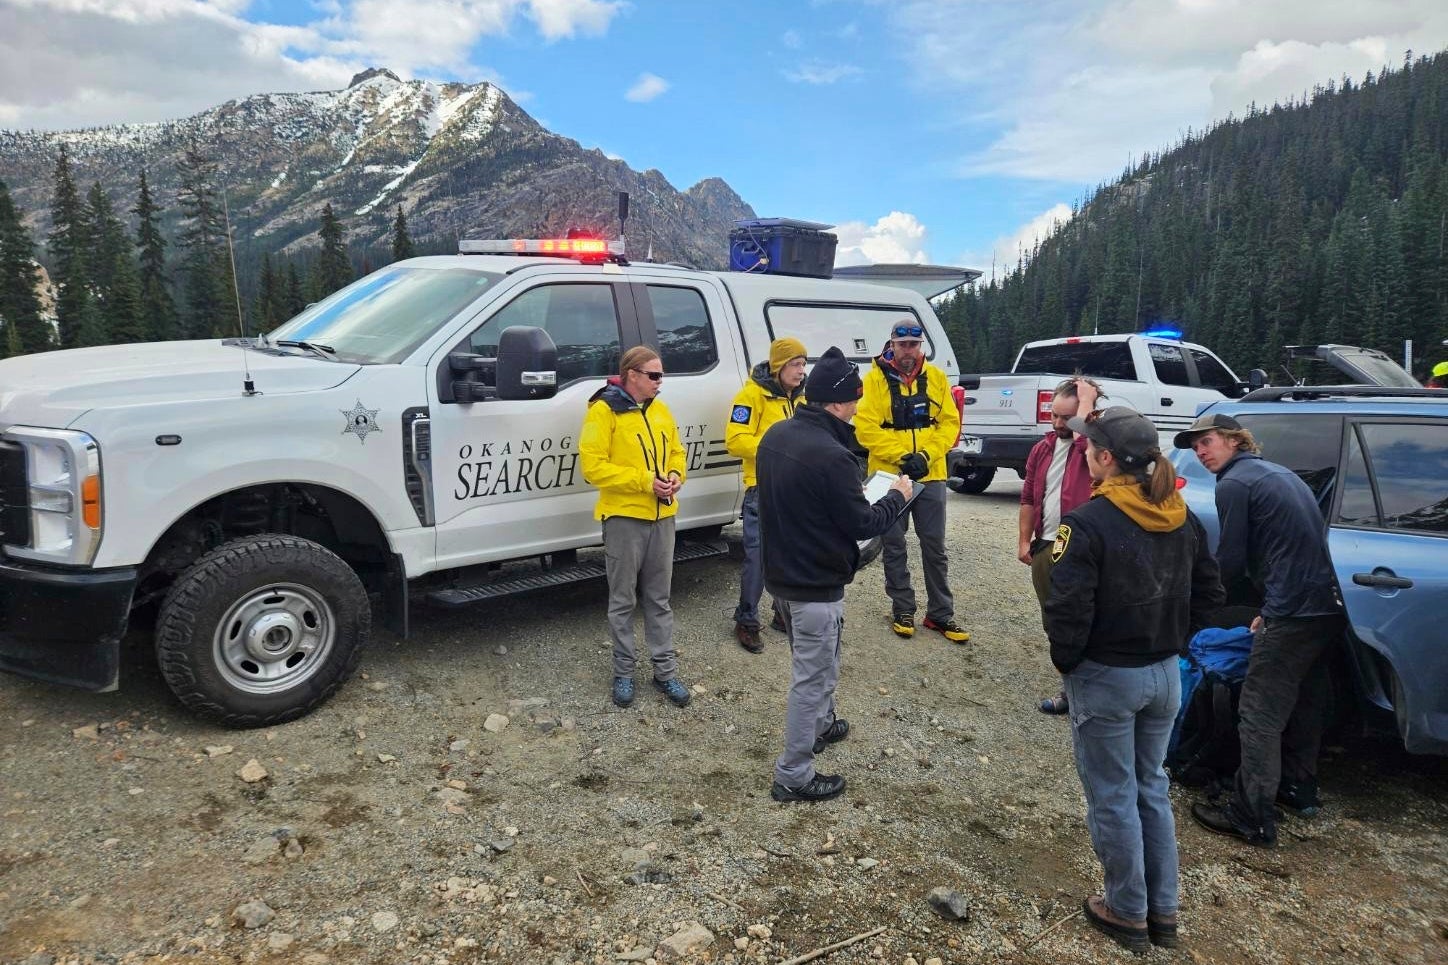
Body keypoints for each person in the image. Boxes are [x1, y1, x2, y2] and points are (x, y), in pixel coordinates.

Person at [1044, 406, 1224, 954]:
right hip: (1165, 675)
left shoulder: (1087, 522)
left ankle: (1126, 910)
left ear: (1102, 458)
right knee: (1152, 787)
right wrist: (1173, 643)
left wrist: (1070, 663)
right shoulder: (1181, 516)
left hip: (1108, 676)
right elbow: (1211, 596)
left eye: (1088, 449)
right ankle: (1162, 910)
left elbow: (1066, 608)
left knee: (1113, 794)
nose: (1083, 455)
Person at [1174, 413, 1345, 846]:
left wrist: (1194, 607)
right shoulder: (1277, 473)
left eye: (1207, 441)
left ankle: (1251, 815)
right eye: (1194, 446)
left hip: (1291, 611)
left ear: (1233, 439)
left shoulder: (1235, 483)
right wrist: (1268, 606)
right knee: (1306, 697)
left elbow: (1228, 560)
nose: (1200, 451)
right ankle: (1297, 787)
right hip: (1326, 605)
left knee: (1259, 710)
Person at [757, 346, 912, 802]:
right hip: (814, 585)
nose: (859, 406)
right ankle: (793, 774)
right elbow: (864, 524)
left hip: (783, 575)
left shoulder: (777, 435)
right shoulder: (833, 455)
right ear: (841, 402)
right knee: (811, 677)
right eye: (856, 399)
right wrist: (897, 495)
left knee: (820, 666)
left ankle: (822, 724)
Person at [580, 346, 691, 710]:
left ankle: (665, 672)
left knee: (659, 599)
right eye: (654, 376)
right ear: (632, 374)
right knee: (624, 600)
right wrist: (646, 482)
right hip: (624, 518)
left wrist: (675, 476)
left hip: (663, 516)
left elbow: (677, 452)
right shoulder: (603, 411)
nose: (661, 383)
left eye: (662, 376)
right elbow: (593, 467)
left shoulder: (660, 410)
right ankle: (624, 672)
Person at [855, 321, 968, 643]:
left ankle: (940, 614)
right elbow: (865, 428)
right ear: (891, 344)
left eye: (914, 345)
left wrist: (928, 456)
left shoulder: (936, 378)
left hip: (931, 474)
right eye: (902, 344)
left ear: (921, 346)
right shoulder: (874, 379)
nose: (908, 351)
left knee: (935, 547)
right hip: (892, 475)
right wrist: (904, 456)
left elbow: (949, 422)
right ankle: (902, 608)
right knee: (894, 544)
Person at [1018, 377, 1101, 715]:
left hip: (1079, 547)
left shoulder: (1092, 447)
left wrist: (1087, 400)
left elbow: (1085, 439)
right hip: (1046, 545)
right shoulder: (1043, 448)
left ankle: (1085, 693)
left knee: (1084, 619)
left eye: (1066, 417)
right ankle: (1071, 688)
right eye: (1053, 415)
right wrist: (1025, 539)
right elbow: (1027, 496)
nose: (1058, 423)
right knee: (1055, 622)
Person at [725, 336, 808, 653]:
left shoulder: (801, 398)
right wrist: (776, 447)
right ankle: (746, 620)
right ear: (779, 365)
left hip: (795, 488)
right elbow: (734, 439)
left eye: (803, 364)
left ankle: (781, 614)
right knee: (758, 558)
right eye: (796, 364)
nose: (801, 371)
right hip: (762, 487)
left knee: (790, 553)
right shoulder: (751, 395)